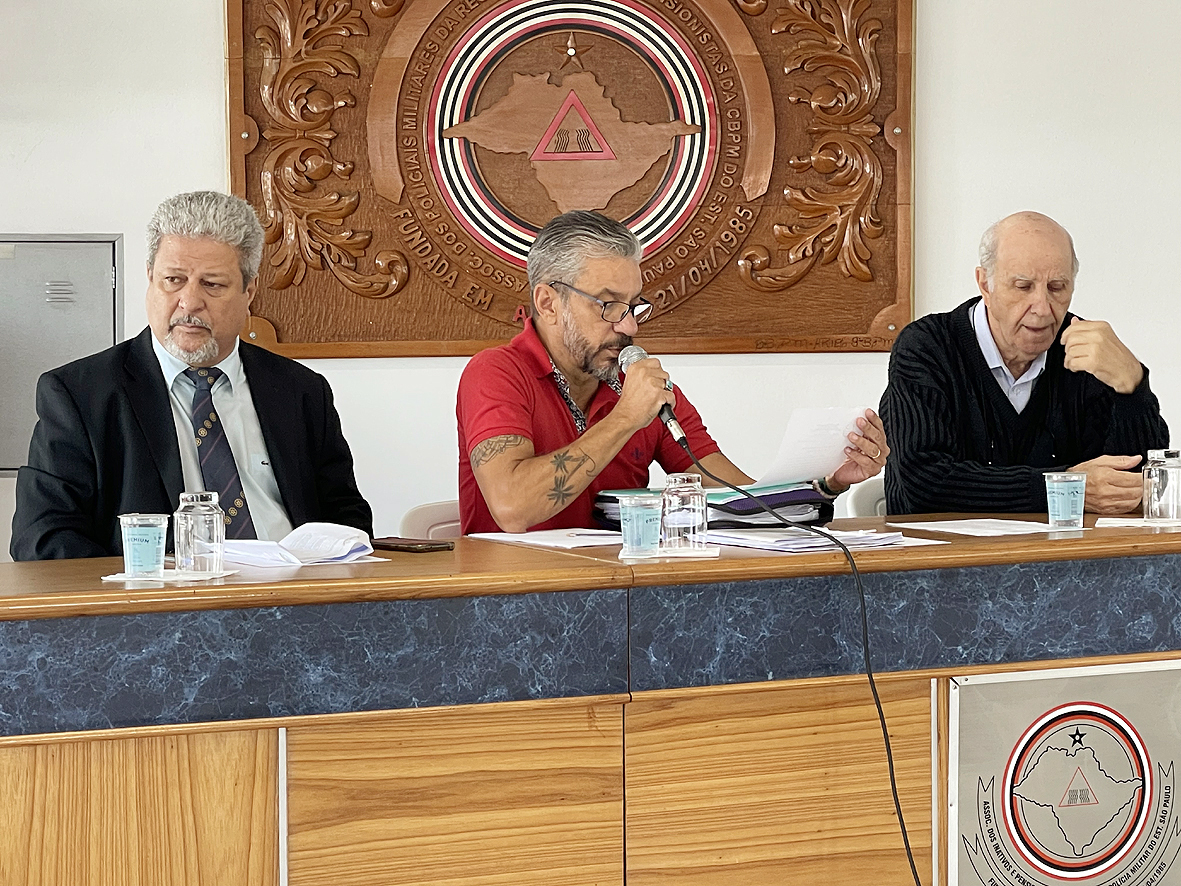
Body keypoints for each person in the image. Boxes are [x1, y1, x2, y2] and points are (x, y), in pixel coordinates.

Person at [456, 210, 888, 534]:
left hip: (625, 602)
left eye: (632, 306)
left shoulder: (644, 387)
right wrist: (626, 418)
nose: (629, 326)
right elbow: (512, 507)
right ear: (549, 302)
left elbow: (733, 495)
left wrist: (826, 482)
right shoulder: (496, 372)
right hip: (513, 613)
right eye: (608, 305)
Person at [10, 191, 373, 559]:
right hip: (157, 606)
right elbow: (42, 539)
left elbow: (346, 516)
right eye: (173, 279)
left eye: (212, 284)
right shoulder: (80, 395)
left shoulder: (301, 390)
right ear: (150, 278)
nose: (189, 301)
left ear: (249, 291)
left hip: (294, 598)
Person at [879, 210, 1169, 515]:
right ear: (985, 284)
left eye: (1057, 287)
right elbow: (924, 484)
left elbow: (1133, 486)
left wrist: (1132, 387)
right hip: (942, 557)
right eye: (1023, 286)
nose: (1043, 309)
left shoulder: (1086, 350)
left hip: (1064, 557)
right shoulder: (927, 347)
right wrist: (1066, 488)